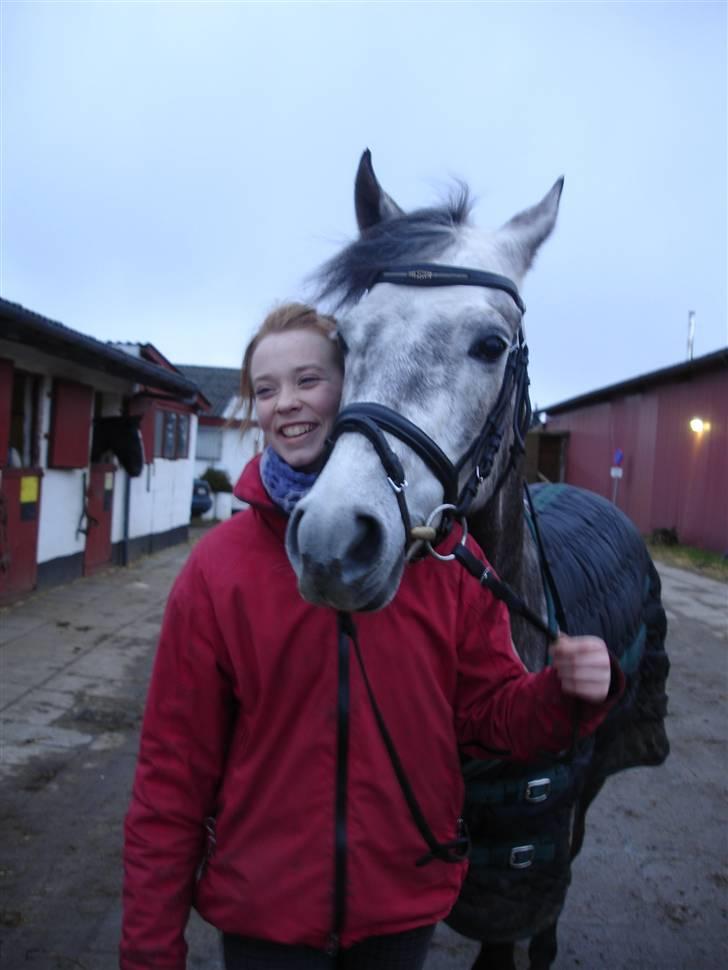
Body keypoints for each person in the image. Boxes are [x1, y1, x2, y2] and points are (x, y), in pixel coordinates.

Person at [120, 302, 621, 970]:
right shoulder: (218, 571)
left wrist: (565, 694)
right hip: (265, 919)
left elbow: (488, 719)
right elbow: (171, 778)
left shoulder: (444, 557)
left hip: (398, 914)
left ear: (352, 389)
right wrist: (149, 951)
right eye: (265, 390)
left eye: (308, 380)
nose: (286, 404)